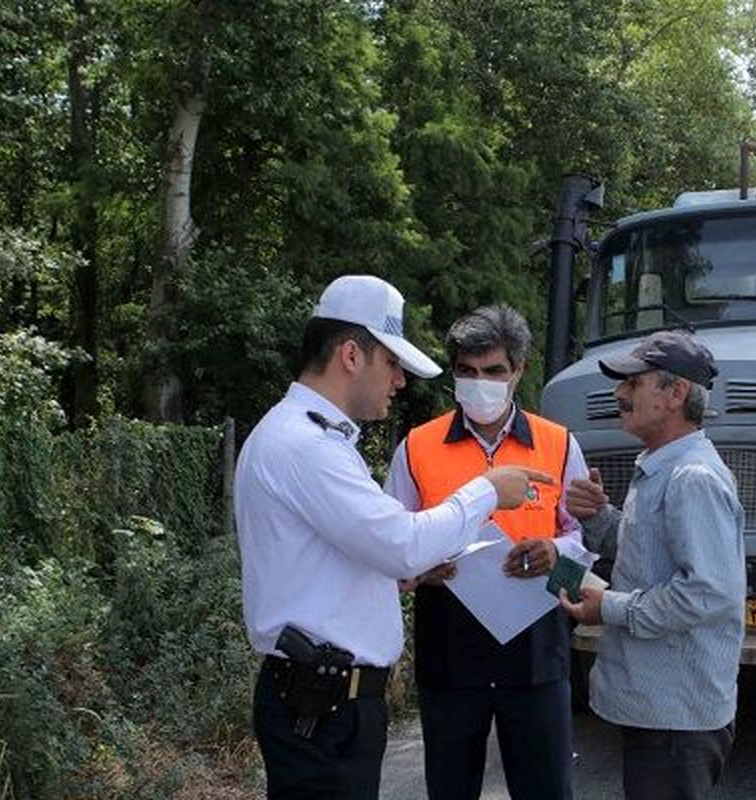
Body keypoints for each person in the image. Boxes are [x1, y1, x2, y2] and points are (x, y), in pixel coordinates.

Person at [234, 275, 552, 800]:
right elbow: (401, 540)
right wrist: (487, 492)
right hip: (323, 703)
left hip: (334, 701)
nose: (400, 382)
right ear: (352, 355)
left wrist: (407, 576)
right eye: (392, 364)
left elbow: (352, 559)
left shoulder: (313, 438)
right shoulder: (306, 445)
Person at [384, 304, 591, 800]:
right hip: (450, 654)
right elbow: (392, 544)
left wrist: (555, 553)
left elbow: (583, 545)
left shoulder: (559, 445)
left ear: (518, 371)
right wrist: (421, 568)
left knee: (545, 790)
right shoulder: (417, 447)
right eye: (467, 372)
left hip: (538, 655)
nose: (480, 383)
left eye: (493, 371)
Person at [560, 330, 746, 800]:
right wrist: (597, 517)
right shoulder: (660, 466)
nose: (620, 393)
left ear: (676, 393)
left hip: (676, 720)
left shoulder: (692, 478)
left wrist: (610, 607)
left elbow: (706, 593)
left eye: (634, 382)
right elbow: (646, 555)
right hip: (661, 714)